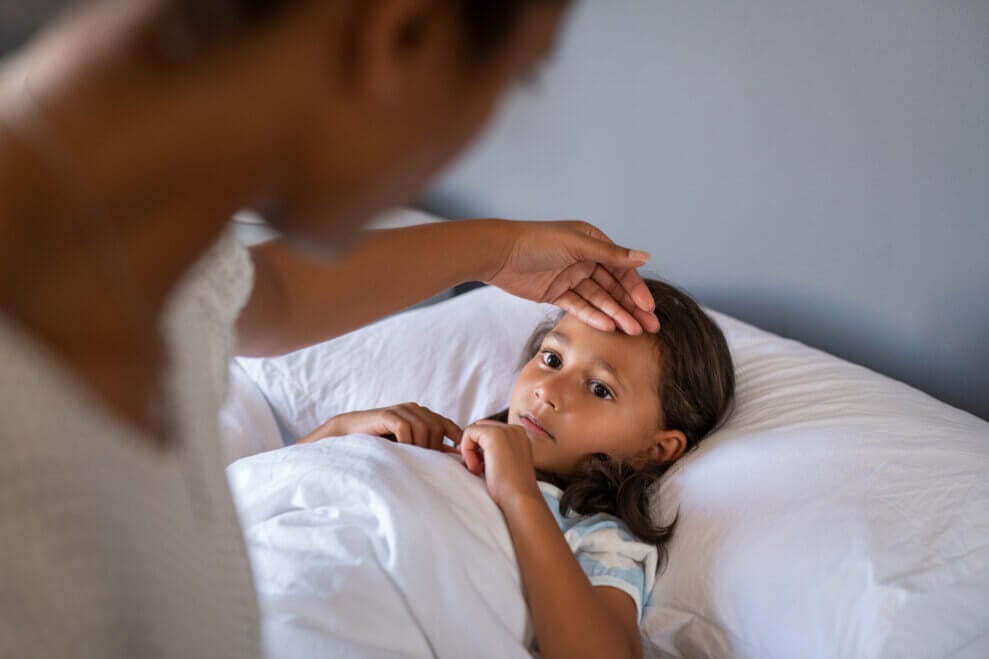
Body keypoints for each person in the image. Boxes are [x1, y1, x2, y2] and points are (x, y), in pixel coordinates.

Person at [0, 1, 665, 657]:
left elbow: (274, 293)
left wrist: (498, 252)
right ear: (403, 33)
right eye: (517, 75)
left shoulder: (159, 272)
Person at [298, 278, 735, 658]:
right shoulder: (446, 450)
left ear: (656, 449)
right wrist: (342, 431)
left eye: (600, 388)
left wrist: (519, 494)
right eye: (551, 360)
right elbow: (251, 492)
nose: (548, 392)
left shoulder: (596, 535)